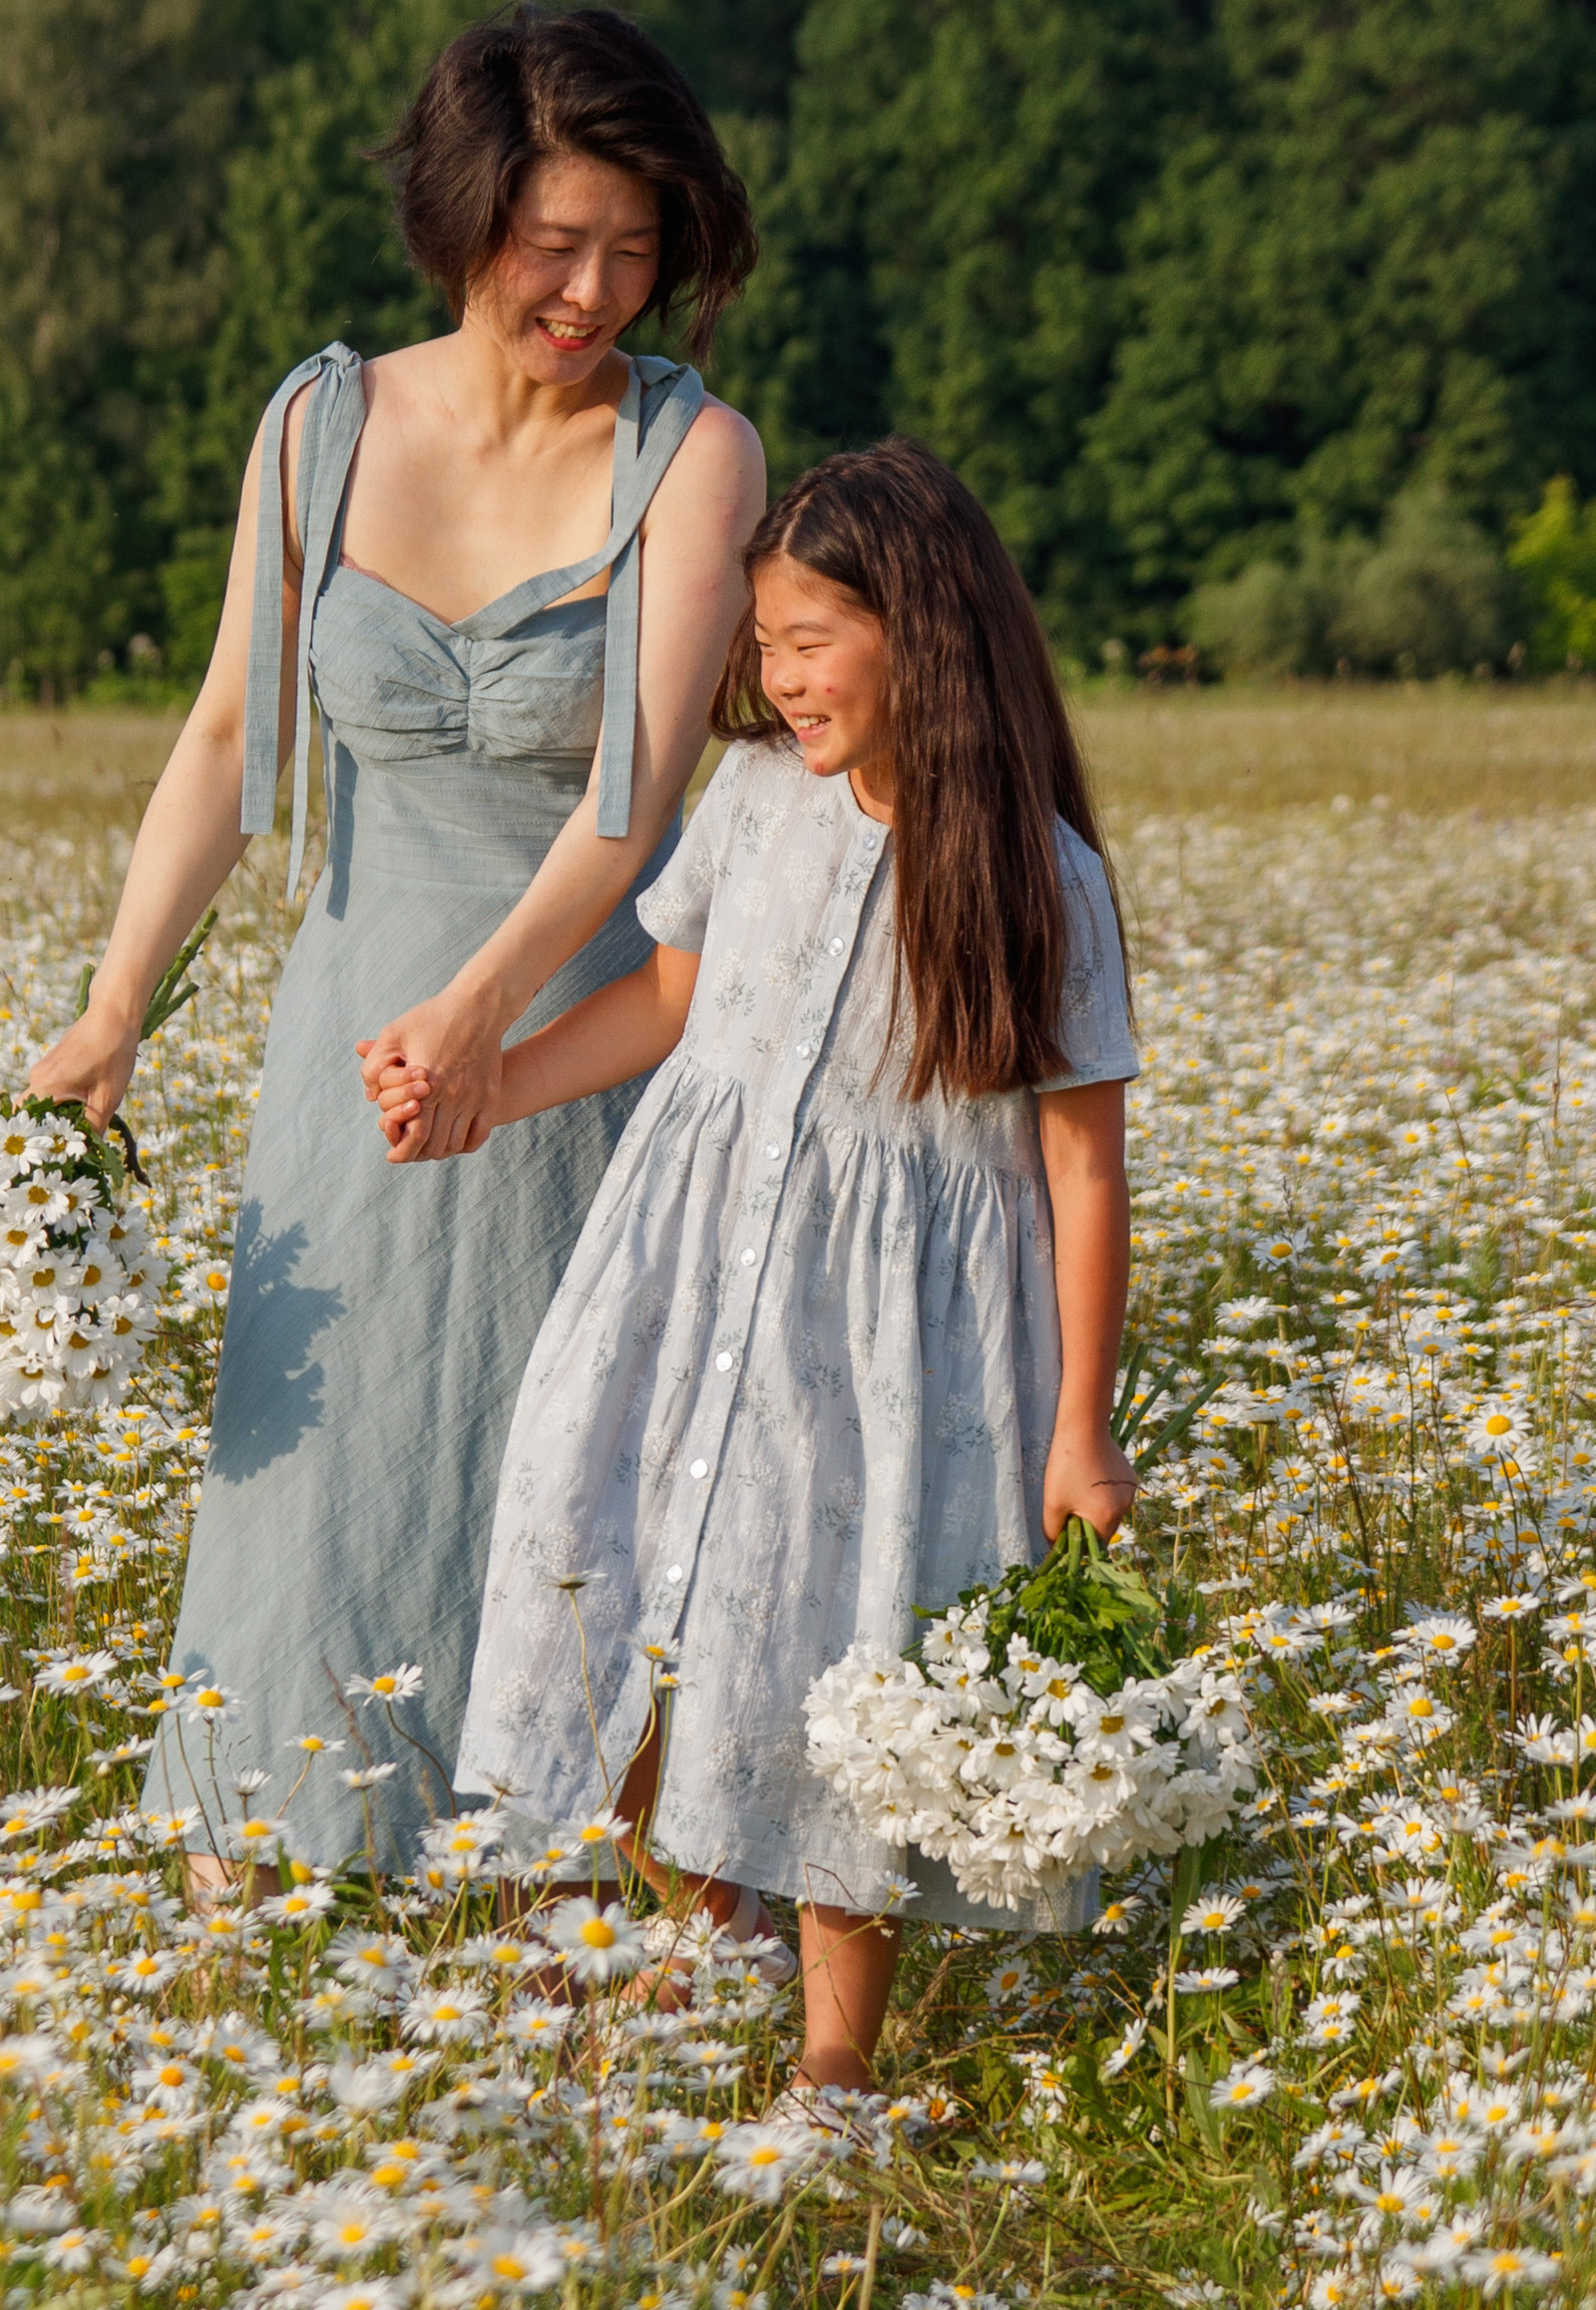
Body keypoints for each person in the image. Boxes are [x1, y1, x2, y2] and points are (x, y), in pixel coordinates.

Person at [27, 3, 764, 1900]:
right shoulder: (320, 426)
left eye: (634, 245)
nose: (597, 290)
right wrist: (116, 1010)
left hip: (586, 1034)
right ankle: (260, 1892)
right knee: (326, 1469)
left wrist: (483, 1011)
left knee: (576, 1466)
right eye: (553, 249)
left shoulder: (696, 457)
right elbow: (217, 739)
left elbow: (634, 799)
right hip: (350, 1039)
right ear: (460, 226)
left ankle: (581, 1910)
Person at [378, 438, 1140, 2104]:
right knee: (626, 1571)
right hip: (682, 1271)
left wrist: (1081, 1424)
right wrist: (497, 1083)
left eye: (815, 641)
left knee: (836, 1647)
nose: (780, 678)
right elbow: (669, 1007)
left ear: (923, 635)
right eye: (767, 642)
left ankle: (833, 2063)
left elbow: (1085, 1171)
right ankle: (694, 1919)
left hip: (887, 1349)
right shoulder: (752, 805)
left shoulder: (1040, 879)